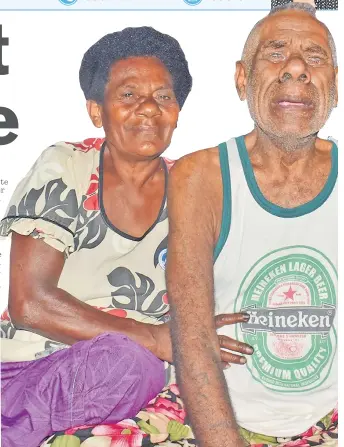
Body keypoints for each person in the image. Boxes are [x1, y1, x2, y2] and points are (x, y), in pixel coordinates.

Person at [0, 26, 252, 447]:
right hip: (29, 368)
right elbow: (29, 303)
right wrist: (156, 338)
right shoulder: (67, 166)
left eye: (164, 96)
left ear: (177, 112)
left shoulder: (192, 190)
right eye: (129, 95)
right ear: (97, 111)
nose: (149, 109)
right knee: (129, 363)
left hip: (136, 373)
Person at [167, 3, 338, 447]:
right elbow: (193, 333)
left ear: (334, 87)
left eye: (315, 58)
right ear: (243, 78)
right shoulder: (200, 177)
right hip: (215, 420)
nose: (297, 68)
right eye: (277, 52)